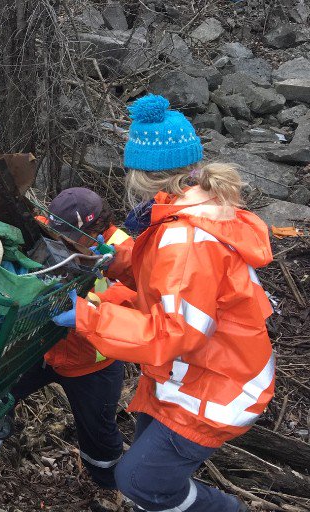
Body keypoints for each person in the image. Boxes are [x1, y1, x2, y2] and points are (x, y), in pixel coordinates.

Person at [54, 94, 274, 512]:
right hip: (192, 371)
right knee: (149, 476)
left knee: (139, 481)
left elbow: (175, 330)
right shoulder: (193, 210)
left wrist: (90, 318)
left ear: (139, 174)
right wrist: (118, 262)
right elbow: (169, 286)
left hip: (217, 384)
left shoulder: (185, 238)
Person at [0, 187, 135, 511]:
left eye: (72, 237)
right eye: (59, 232)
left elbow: (134, 300)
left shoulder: (122, 251)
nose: (64, 242)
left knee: (98, 434)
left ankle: (112, 486)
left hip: (91, 362)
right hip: (41, 346)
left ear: (96, 229)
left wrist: (88, 305)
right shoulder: (49, 226)